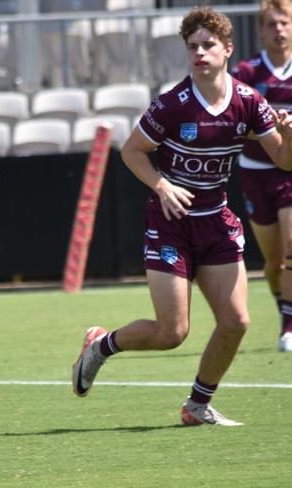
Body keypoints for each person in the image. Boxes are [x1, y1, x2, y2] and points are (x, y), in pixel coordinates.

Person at [71, 6, 292, 426]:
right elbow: (131, 151)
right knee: (173, 333)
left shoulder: (248, 101)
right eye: (193, 46)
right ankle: (102, 345)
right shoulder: (173, 104)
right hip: (169, 223)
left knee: (236, 322)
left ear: (228, 49)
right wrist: (161, 185)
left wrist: (290, 134)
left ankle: (196, 406)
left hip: (216, 221)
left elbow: (284, 160)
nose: (200, 52)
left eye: (209, 45)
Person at [231, 0, 292, 352]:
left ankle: (288, 325)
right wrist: (269, 130)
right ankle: (281, 298)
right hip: (256, 172)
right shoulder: (247, 72)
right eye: (272, 24)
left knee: (291, 244)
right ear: (261, 30)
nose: (279, 30)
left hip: (291, 170)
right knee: (274, 262)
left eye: (284, 23)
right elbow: (236, 122)